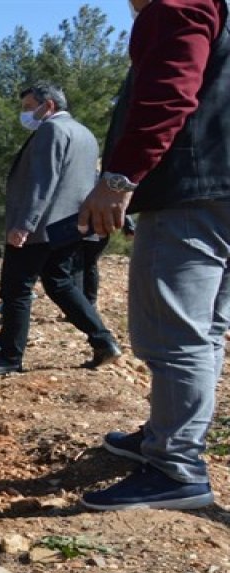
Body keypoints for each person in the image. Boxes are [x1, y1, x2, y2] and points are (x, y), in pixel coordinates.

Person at [77, 0, 229, 511]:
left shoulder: (178, 5)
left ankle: (175, 468)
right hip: (218, 190)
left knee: (172, 334)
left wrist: (119, 178)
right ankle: (167, 440)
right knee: (203, 330)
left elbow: (168, 92)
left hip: (190, 192)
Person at [0, 84, 123, 376]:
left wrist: (24, 225)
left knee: (16, 289)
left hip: (40, 226)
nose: (25, 113)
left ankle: (9, 357)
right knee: (60, 284)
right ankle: (103, 342)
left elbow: (43, 182)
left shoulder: (51, 131)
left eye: (29, 106)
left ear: (48, 105)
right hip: (70, 226)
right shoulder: (85, 134)